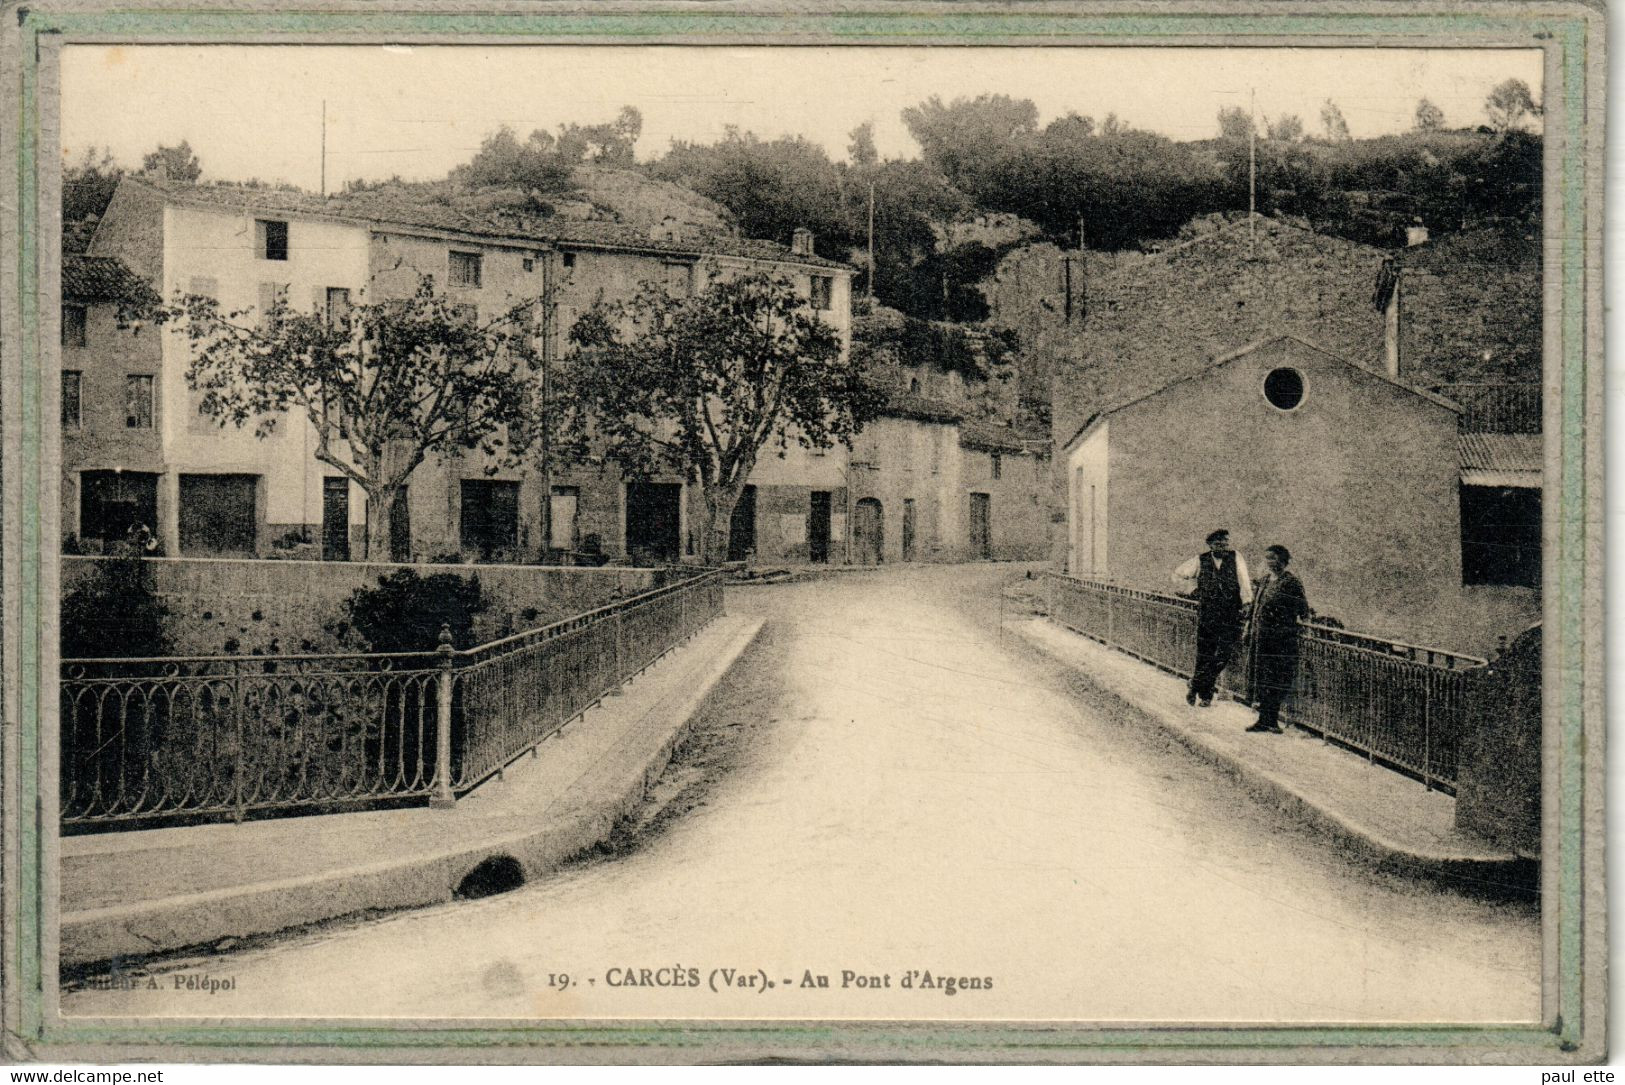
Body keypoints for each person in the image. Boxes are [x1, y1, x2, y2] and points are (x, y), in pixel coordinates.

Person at [1171, 529, 1252, 707]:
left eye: (1225, 543)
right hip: (1208, 614)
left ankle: (1195, 684)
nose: (1223, 546)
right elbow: (1177, 575)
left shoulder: (1235, 557)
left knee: (1224, 653)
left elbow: (1244, 580)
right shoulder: (1200, 560)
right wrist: (1193, 590)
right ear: (1210, 545)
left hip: (1230, 614)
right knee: (1205, 654)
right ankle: (1206, 696)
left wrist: (1246, 602)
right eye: (1218, 544)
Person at [1245, 544, 1310, 734]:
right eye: (1267, 559)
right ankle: (1264, 720)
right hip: (1261, 639)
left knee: (1277, 679)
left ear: (1283, 560)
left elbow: (1303, 610)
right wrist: (1249, 626)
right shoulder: (1265, 581)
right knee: (1262, 678)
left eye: (1273, 558)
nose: (1270, 562)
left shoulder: (1291, 583)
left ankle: (1271, 720)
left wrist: (1305, 631)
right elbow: (1255, 606)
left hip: (1280, 641)